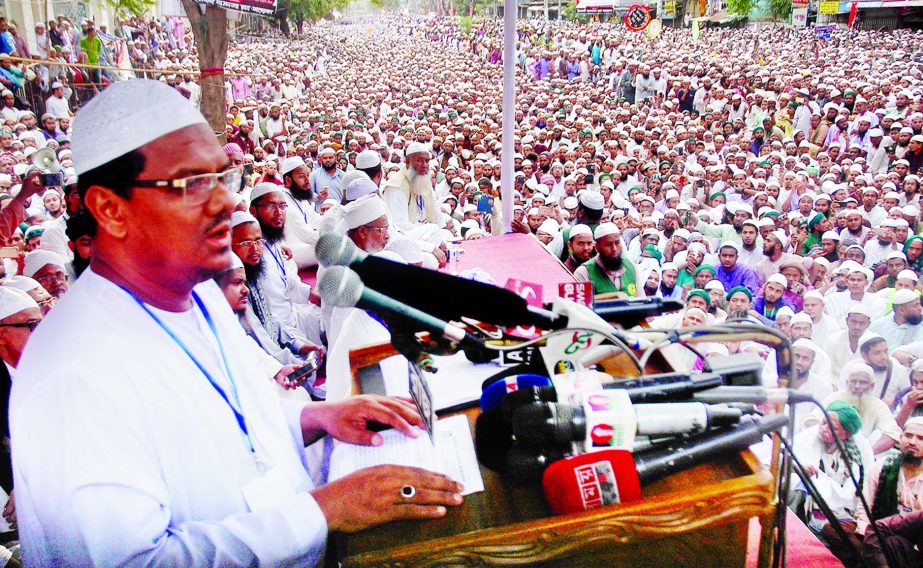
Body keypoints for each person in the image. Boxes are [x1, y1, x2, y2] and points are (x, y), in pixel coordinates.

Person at [9, 79, 464, 565]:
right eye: (192, 183)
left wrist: (313, 418)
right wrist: (321, 511)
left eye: (223, 178)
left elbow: (230, 425)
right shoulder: (73, 371)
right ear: (109, 209)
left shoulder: (199, 292)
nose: (227, 203)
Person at [790, 400, 873, 548]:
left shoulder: (859, 448)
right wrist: (799, 468)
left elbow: (867, 483)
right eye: (823, 423)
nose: (823, 429)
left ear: (845, 434)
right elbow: (785, 462)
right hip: (807, 505)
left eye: (831, 427)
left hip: (841, 513)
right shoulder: (808, 438)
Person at [573, 222, 637, 298]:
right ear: (597, 247)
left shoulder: (631, 266)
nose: (614, 249)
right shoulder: (583, 272)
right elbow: (581, 305)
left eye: (617, 243)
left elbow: (642, 301)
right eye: (608, 244)